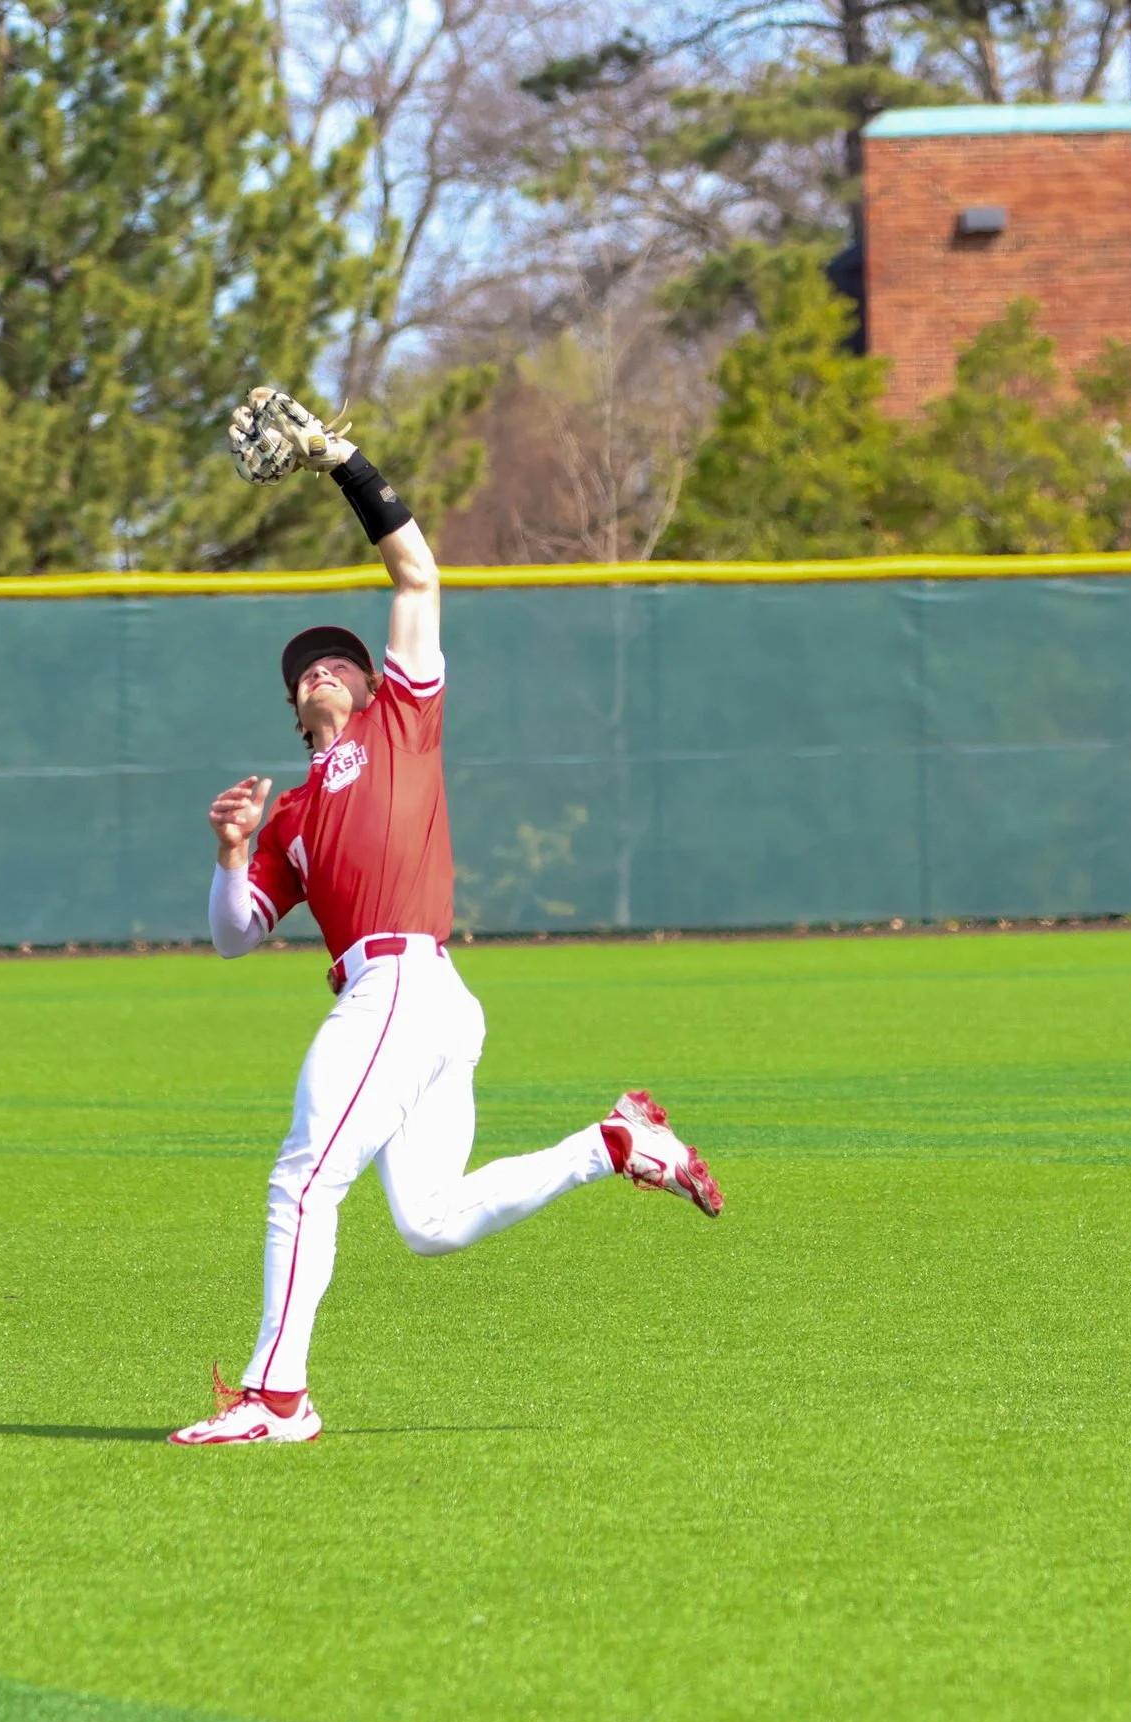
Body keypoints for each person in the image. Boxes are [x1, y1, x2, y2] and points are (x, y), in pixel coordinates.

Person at [170, 390, 721, 1448]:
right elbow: (236, 933)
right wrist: (231, 854)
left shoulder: (402, 717)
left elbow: (416, 574)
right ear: (293, 709)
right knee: (425, 1220)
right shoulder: (289, 815)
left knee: (303, 1176)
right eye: (305, 668)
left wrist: (343, 462)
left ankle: (276, 1398)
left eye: (339, 657)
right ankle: (612, 1143)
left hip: (407, 985)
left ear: (369, 679)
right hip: (410, 1000)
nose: (322, 666)